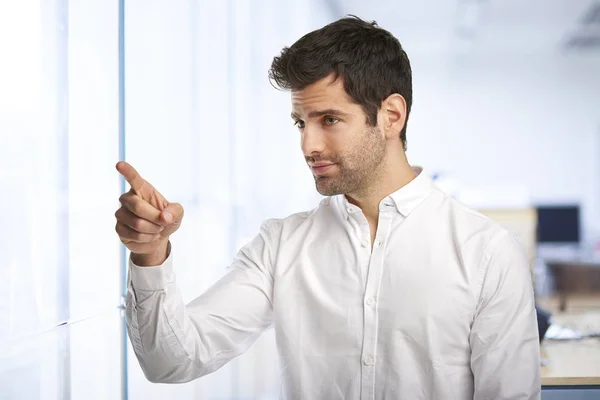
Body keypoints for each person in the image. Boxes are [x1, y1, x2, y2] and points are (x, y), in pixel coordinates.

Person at [115, 16, 541, 400]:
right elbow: (173, 360)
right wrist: (149, 254)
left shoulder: (485, 252)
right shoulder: (281, 246)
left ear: (391, 116)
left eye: (329, 120)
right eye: (301, 123)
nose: (308, 146)